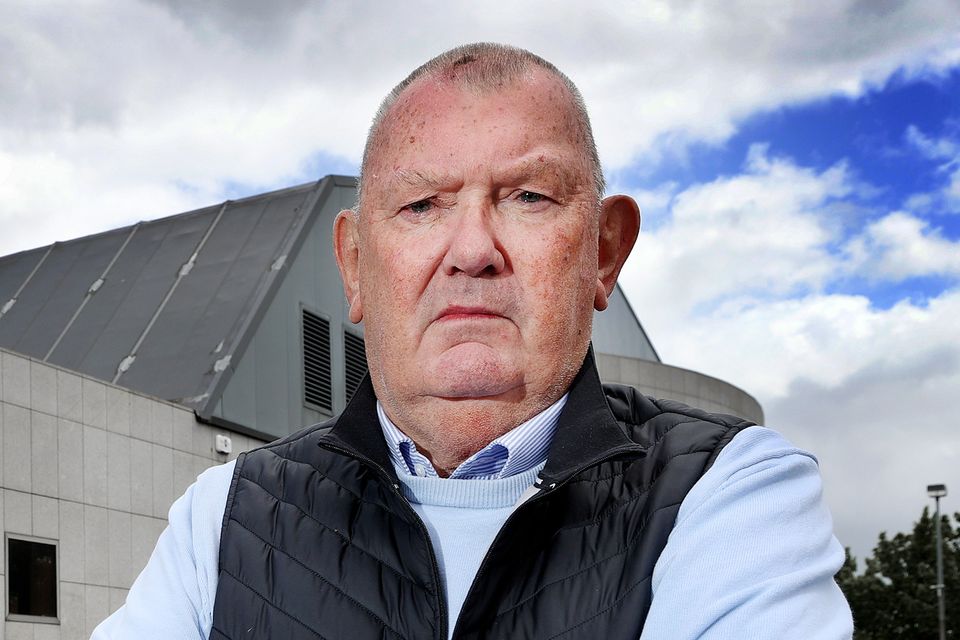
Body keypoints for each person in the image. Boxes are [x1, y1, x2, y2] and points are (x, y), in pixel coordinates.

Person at [93, 43, 853, 639]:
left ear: (605, 252)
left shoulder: (730, 495)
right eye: (422, 204)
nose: (472, 249)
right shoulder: (223, 517)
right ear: (355, 266)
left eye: (529, 196)